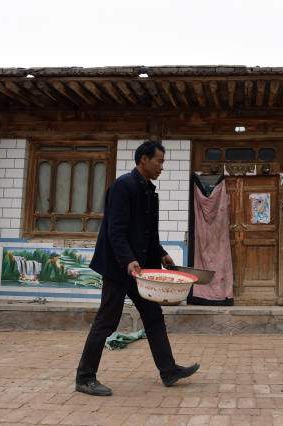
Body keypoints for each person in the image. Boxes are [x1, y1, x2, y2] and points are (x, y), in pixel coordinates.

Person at [75, 140, 199, 396]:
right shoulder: (123, 186)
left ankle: (168, 370)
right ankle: (84, 378)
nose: (162, 167)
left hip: (140, 269)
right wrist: (127, 260)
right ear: (143, 159)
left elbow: (148, 234)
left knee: (153, 317)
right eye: (159, 161)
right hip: (118, 267)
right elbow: (115, 230)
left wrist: (162, 254)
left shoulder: (149, 192)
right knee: (107, 320)